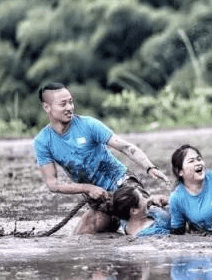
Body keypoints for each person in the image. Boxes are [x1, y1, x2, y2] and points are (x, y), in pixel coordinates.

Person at [33, 82, 169, 234]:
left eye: (71, 102)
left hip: (124, 187)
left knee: (140, 228)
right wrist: (88, 188)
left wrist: (149, 167)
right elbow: (53, 184)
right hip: (98, 197)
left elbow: (124, 147)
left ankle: (168, 212)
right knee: (81, 234)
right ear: (47, 107)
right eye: (63, 104)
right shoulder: (42, 141)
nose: (70, 107)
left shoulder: (88, 125)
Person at [110, 185, 175, 237]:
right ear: (134, 211)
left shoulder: (123, 221)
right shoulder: (153, 232)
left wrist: (152, 199)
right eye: (142, 199)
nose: (146, 199)